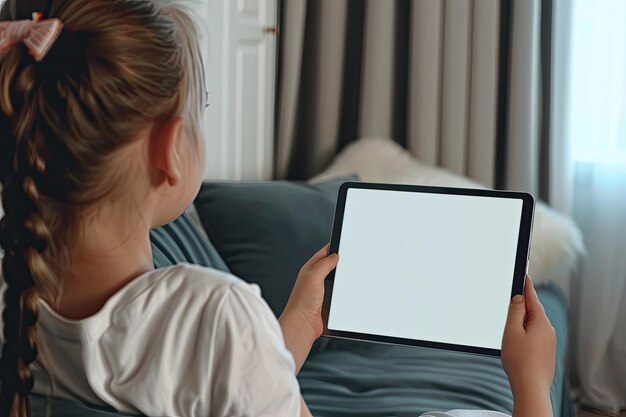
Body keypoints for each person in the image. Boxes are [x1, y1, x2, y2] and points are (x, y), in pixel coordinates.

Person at [0, 1, 557, 416]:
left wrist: (294, 328)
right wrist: (531, 383)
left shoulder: (20, 297)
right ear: (168, 150)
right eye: (202, 109)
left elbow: (222, 390)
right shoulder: (213, 312)